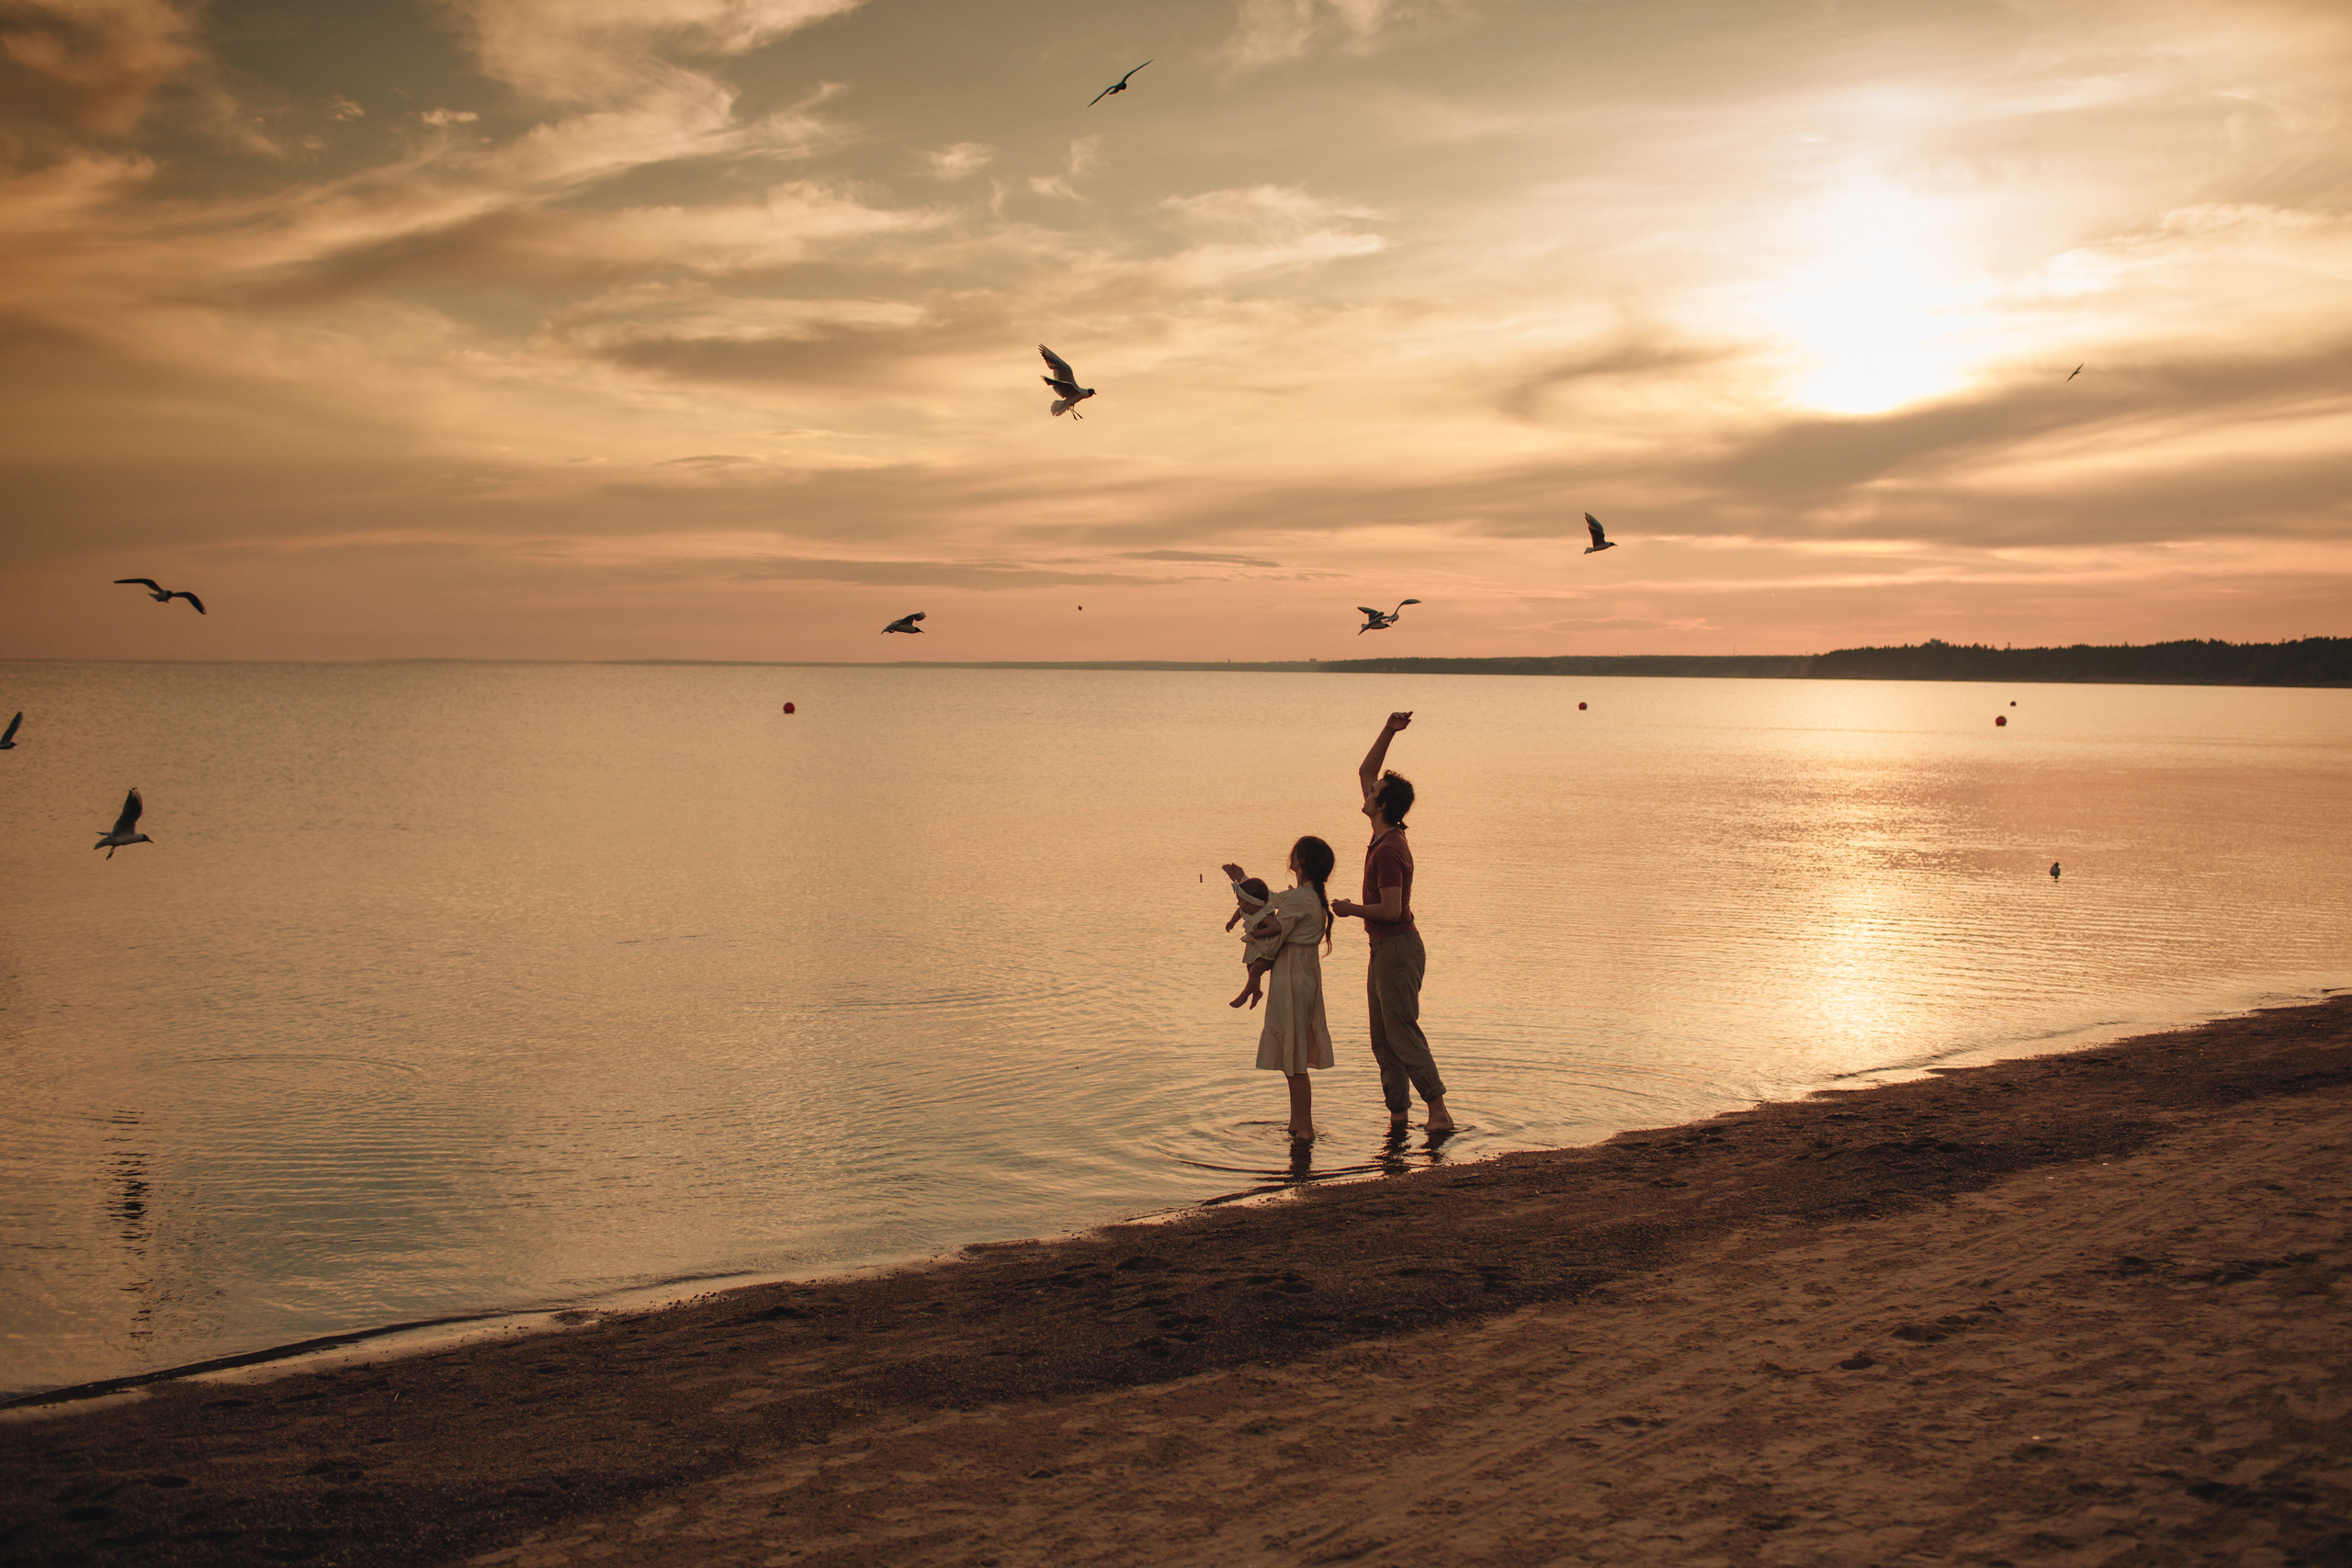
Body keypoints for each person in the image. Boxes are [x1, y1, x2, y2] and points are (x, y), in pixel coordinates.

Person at [1330, 712, 1453, 1132]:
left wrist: (1350, 910)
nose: (1366, 791)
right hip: (1382, 950)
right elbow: (1367, 769)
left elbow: (1392, 911)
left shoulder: (1389, 850)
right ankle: (1398, 1119)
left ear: (1381, 805)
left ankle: (1438, 1112)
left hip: (1398, 949)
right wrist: (1388, 729)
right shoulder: (1382, 834)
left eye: (1374, 792)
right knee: (1382, 1041)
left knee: (1401, 1033)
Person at [1218, 839, 1338, 1141]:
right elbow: (1269, 901)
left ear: (1300, 863)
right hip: (1299, 974)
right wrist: (1243, 881)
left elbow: (1272, 930)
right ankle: (1297, 1125)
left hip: (1293, 978)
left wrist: (1251, 938)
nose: (1291, 858)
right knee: (1292, 1056)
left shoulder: (1301, 899)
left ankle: (1305, 1128)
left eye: (1294, 855)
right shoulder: (1304, 897)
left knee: (1294, 1057)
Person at [1225, 875, 1282, 1009]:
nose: (1238, 904)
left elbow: (1276, 927)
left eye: (1241, 901)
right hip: (1255, 946)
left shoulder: (1264, 916)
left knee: (1255, 971)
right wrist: (1232, 922)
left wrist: (1259, 933)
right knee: (1250, 968)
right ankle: (1257, 992)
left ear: (1252, 904)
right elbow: (1239, 912)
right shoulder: (1247, 909)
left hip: (1266, 949)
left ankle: (1244, 996)